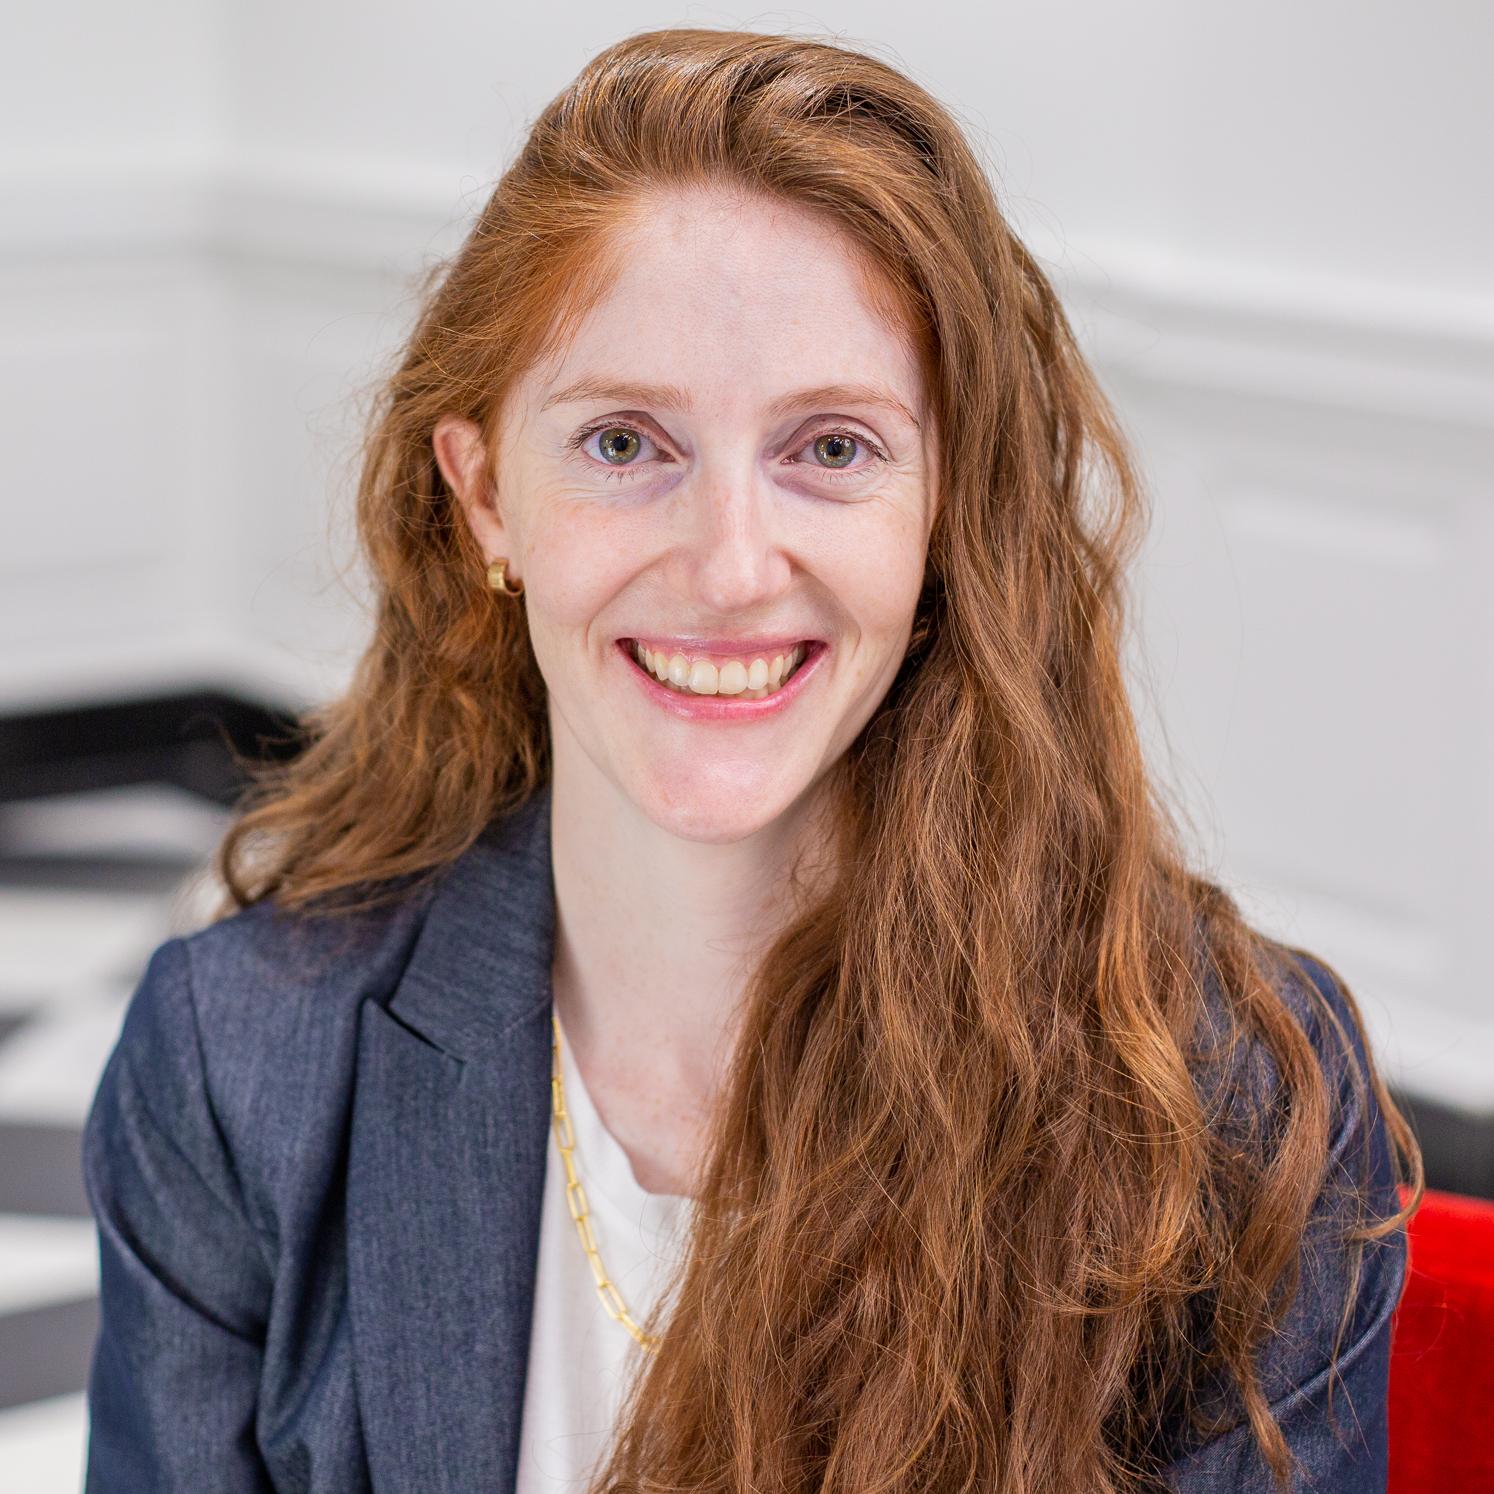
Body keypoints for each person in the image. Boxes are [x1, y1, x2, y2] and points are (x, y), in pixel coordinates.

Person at [80, 26, 1422, 1494]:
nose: (728, 566)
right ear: (484, 502)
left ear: (944, 515)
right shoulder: (242, 1062)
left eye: (831, 449)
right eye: (621, 443)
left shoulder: (1223, 1096)